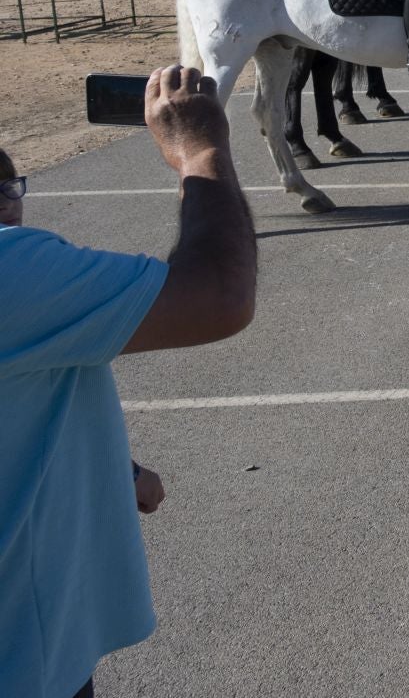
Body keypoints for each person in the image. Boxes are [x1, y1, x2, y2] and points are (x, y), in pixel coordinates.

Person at [1, 67, 259, 698]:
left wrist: (116, 467)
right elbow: (219, 295)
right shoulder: (15, 271)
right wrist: (200, 151)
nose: (14, 200)